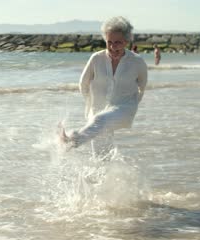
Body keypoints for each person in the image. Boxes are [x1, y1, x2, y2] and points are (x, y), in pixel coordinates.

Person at [59, 16, 147, 158]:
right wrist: (92, 105)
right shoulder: (96, 58)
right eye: (109, 42)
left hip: (124, 109)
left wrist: (131, 105)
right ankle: (112, 178)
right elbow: (83, 84)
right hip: (98, 112)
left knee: (101, 120)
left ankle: (71, 141)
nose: (112, 47)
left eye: (117, 42)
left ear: (126, 41)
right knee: (101, 158)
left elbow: (142, 88)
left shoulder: (137, 62)